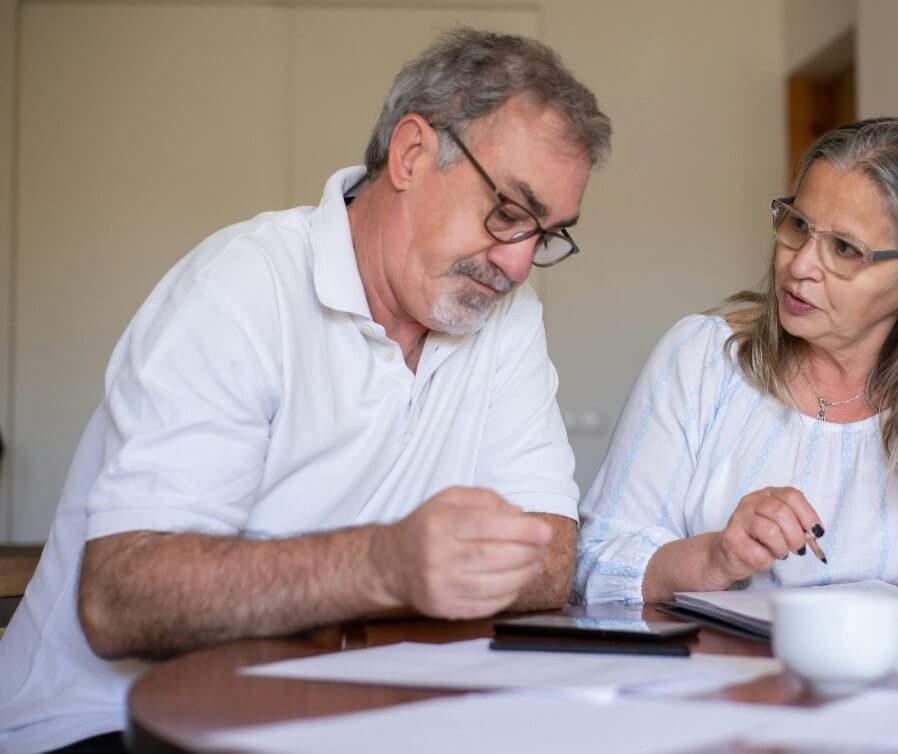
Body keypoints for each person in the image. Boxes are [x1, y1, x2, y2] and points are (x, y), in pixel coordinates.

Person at [0, 29, 611, 753]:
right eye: (509, 211)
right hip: (107, 723)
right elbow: (120, 599)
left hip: (327, 716)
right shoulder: (242, 287)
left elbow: (548, 556)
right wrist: (386, 564)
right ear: (412, 155)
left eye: (544, 236)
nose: (515, 266)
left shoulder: (506, 317)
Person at [574, 117, 898, 608]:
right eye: (798, 224)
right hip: (736, 687)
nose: (798, 265)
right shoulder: (703, 359)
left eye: (845, 249)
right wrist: (716, 557)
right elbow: (596, 564)